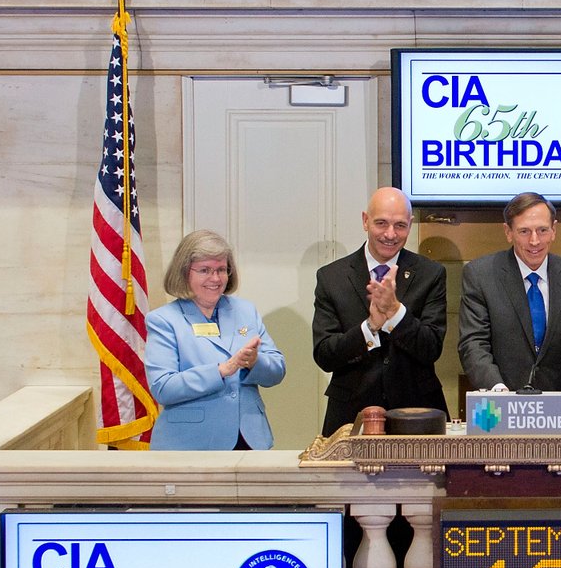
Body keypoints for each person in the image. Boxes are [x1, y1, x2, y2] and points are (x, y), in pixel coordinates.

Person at [312, 187, 448, 435]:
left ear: (410, 224)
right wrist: (369, 328)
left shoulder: (431, 274)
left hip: (417, 411)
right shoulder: (331, 277)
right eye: (381, 223)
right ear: (365, 221)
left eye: (399, 225)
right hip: (350, 414)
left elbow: (431, 348)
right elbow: (325, 355)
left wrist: (396, 313)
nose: (390, 234)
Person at [145, 229, 286, 450]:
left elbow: (277, 370)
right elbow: (163, 387)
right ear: (184, 273)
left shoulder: (245, 311)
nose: (215, 278)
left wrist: (253, 363)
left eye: (221, 269)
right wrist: (222, 370)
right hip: (190, 443)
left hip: (250, 439)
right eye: (205, 270)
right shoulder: (164, 320)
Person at [459, 191, 561, 395]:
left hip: (559, 408)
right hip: (500, 405)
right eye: (524, 231)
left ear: (554, 230)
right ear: (508, 232)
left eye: (542, 230)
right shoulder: (480, 275)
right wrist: (497, 389)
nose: (534, 241)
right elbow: (473, 343)